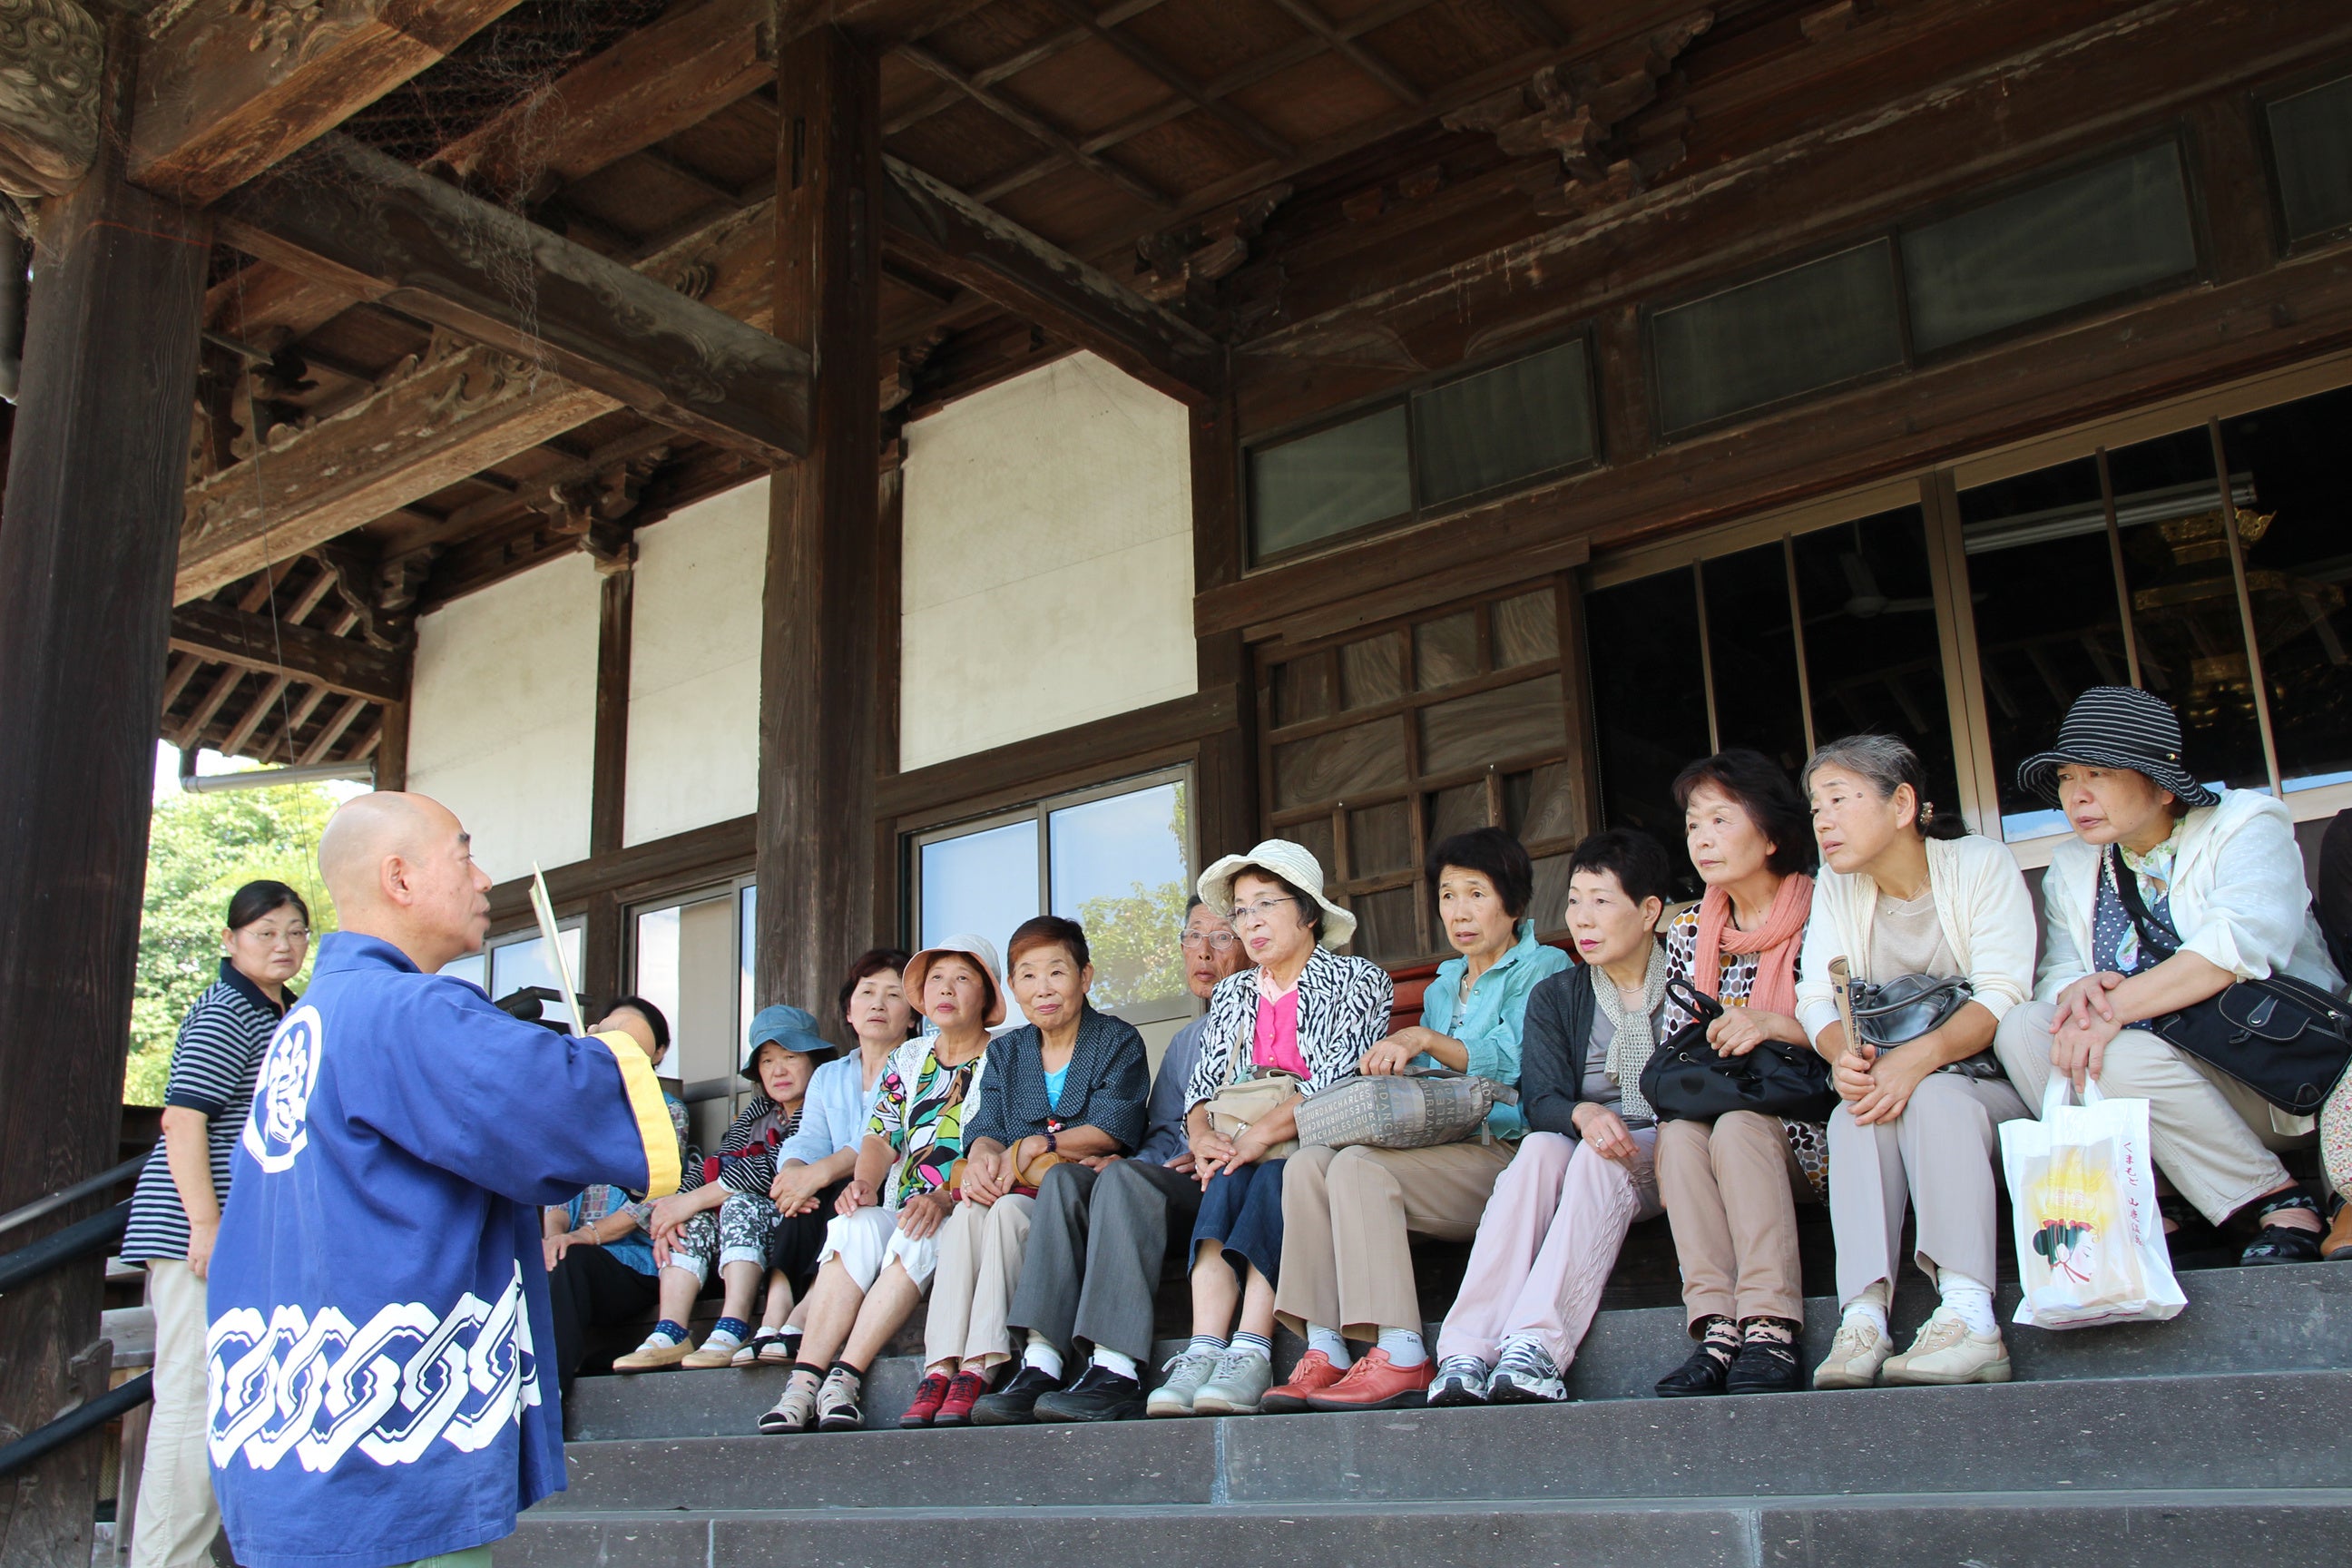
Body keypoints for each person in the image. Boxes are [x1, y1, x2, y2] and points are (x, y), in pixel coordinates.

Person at [204, 793, 678, 1568]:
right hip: (383, 1454)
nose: (484, 877)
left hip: (299, 1434)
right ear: (399, 878)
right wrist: (624, 1043)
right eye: (463, 855)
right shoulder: (402, 1009)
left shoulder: (311, 1019)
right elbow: (546, 1103)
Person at [1994, 687, 2342, 1265]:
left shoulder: (2246, 823)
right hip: (2158, 1082)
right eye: (2065, 778)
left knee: (2116, 1053)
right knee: (2026, 1028)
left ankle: (2278, 1200)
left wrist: (2111, 1009)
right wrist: (2075, 992)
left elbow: (2233, 948)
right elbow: (2059, 971)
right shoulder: (2074, 865)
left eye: (2098, 774)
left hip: (2272, 1077)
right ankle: (2157, 1207)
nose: (2076, 796)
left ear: (2160, 784)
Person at [1279, 827, 1568, 1412]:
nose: (1458, 912)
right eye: (1447, 896)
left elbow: (1519, 1066)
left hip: (1510, 1157)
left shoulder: (1545, 968)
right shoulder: (1442, 986)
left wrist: (1424, 1039)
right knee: (1308, 1163)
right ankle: (1328, 1345)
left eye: (1476, 893)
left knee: (1358, 1167)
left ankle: (1404, 1351)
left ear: (1512, 900)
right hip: (1442, 1150)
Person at [1796, 735, 2034, 1392]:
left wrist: (1917, 1062)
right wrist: (1842, 1055)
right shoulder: (1836, 890)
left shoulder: (1979, 865)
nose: (1823, 821)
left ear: (1902, 804)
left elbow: (2005, 993)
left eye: (1839, 801)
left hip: (1992, 1087)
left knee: (1933, 1098)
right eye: (1816, 807)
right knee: (1854, 1117)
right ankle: (1863, 1318)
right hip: (1895, 1085)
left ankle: (1969, 1316)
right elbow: (1816, 996)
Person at [1426, 830, 1673, 1406]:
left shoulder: (1686, 977)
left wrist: (1602, 1126)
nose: (1583, 919)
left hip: (1669, 1145)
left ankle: (1536, 1346)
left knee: (1596, 1156)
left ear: (1649, 911)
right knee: (1539, 1149)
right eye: (1574, 901)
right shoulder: (1560, 994)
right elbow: (1542, 1099)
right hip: (1588, 1138)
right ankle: (1466, 1349)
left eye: (1602, 901)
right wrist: (1583, 1110)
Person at [983, 897, 1252, 1425]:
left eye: (1222, 936)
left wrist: (1132, 1167)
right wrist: (1130, 1166)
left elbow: (1119, 1129)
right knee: (1067, 1180)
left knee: (1117, 1177)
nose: (1204, 951)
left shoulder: (1270, 1019)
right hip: (1173, 1178)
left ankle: (1116, 1367)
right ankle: (1041, 1357)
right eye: (1193, 936)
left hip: (1227, 1180)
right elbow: (1158, 1133)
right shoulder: (1185, 1042)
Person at [1152, 840, 1391, 1418]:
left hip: (1318, 1141)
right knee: (1226, 1178)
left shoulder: (1359, 980)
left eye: (1266, 904)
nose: (1250, 922)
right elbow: (1202, 1088)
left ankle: (1253, 1347)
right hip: (1239, 1145)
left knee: (1264, 1177)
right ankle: (1205, 1347)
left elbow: (1335, 1081)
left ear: (1308, 912)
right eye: (1241, 910)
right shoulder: (1234, 991)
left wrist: (1256, 1137)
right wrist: (1202, 1133)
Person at [120, 882, 309, 1568]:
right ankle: (164, 1561)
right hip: (194, 1228)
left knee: (223, 1394)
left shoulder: (283, 1012)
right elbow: (183, 1118)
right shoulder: (227, 1009)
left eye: (295, 931)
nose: (283, 945)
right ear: (230, 942)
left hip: (241, 1232)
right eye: (265, 932)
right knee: (193, 1393)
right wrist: (207, 1222)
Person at [903, 916, 1149, 1426]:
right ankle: (942, 1364)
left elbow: (1111, 1126)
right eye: (1028, 976)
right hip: (1018, 1180)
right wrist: (988, 1156)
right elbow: (986, 1125)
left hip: (1078, 1186)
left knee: (1008, 1212)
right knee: (970, 1212)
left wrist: (1043, 1141)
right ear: (1013, 987)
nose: (1044, 989)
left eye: (1057, 972)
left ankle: (984, 1362)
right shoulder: (1008, 1050)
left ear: (1085, 976)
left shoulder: (1117, 1039)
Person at [757, 936, 1001, 1435]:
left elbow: (1001, 1143)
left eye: (962, 978)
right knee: (853, 1225)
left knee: (914, 1232)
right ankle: (802, 1384)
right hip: (901, 1200)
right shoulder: (908, 1057)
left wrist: (944, 1197)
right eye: (935, 978)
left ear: (987, 995)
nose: (946, 989)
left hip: (961, 1208)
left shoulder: (1006, 1056)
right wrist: (864, 1184)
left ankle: (843, 1379)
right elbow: (880, 1136)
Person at [1649, 751, 1823, 1399]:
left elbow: (1856, 1029)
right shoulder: (1694, 928)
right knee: (1684, 1136)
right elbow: (1678, 1039)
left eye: (1721, 819)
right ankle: (1719, 1328)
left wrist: (1771, 1024)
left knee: (1738, 1129)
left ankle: (1771, 1324)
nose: (1702, 839)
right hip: (1722, 1109)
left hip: (1817, 1117)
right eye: (1695, 824)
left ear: (1772, 834)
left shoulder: (1823, 907)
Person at [613, 1005, 830, 1369]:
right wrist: (675, 1205)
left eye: (790, 1057)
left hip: (796, 1230)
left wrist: (697, 1198)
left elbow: (772, 1169)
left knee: (738, 1204)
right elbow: (718, 1161)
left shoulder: (822, 1106)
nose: (778, 1070)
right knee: (691, 1219)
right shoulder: (758, 1110)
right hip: (735, 1242)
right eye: (767, 1060)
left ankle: (733, 1326)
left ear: (814, 1060)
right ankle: (671, 1331)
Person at [744, 949, 919, 1364]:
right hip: (832, 1190)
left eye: (894, 995)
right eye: (867, 992)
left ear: (913, 1015)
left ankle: (803, 1316)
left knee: (831, 1189)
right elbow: (808, 1138)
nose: (878, 1003)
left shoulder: (920, 1064)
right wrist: (792, 1172)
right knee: (801, 1195)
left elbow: (885, 1139)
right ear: (848, 1011)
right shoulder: (830, 1074)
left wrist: (818, 1173)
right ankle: (774, 1317)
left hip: (890, 1190)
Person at [543, 998, 691, 1398]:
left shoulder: (666, 1112)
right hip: (576, 1257)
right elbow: (555, 1194)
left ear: (657, 1052)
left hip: (633, 1263)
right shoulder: (576, 1110)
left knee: (570, 1263)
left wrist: (579, 1238)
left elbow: (651, 1199)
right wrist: (555, 1237)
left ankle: (546, 1400)